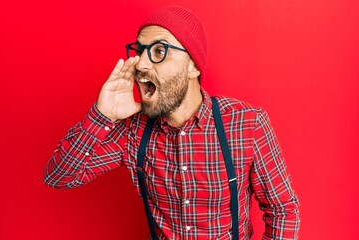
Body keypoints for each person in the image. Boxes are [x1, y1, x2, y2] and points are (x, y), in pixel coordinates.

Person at [44, 6, 300, 240]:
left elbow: (283, 210)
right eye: (140, 51)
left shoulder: (246, 123)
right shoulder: (133, 130)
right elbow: (59, 176)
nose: (141, 64)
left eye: (159, 51)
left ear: (192, 67)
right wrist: (103, 115)